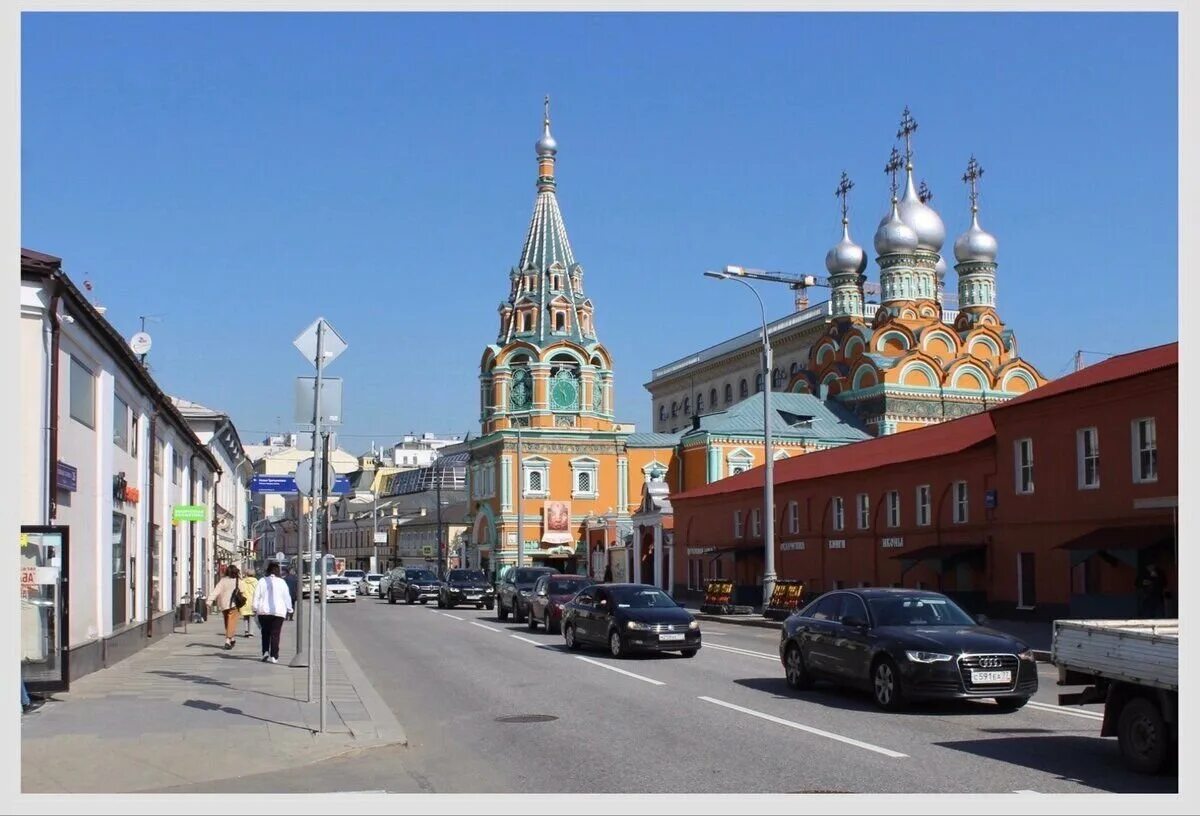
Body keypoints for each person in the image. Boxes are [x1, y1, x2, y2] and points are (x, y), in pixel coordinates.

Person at [252, 561, 294, 663]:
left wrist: (254, 608)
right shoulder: (282, 582)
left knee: (265, 633)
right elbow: (286, 597)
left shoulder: (262, 581)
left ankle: (265, 651)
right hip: (278, 612)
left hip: (264, 612)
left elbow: (256, 595)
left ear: (268, 570)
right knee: (276, 634)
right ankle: (274, 656)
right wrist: (290, 609)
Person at [210, 565, 244, 649]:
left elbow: (216, 591)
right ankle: (228, 640)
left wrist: (209, 600)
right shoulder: (239, 581)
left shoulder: (223, 581)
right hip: (234, 605)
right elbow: (243, 591)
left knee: (227, 622)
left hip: (224, 605)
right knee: (231, 622)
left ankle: (231, 638)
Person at [240, 570, 259, 638]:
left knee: (245, 617)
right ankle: (251, 633)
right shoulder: (256, 582)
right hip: (253, 601)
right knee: (252, 617)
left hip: (244, 601)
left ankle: (246, 632)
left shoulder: (243, 581)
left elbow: (240, 590)